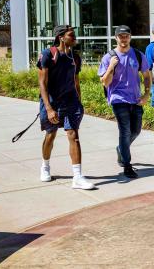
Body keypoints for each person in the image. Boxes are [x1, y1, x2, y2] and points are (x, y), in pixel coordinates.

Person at [37, 25, 95, 190]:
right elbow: (42, 83)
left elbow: (76, 81)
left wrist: (80, 102)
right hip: (52, 101)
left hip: (70, 101)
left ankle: (77, 177)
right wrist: (48, 108)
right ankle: (45, 166)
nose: (74, 37)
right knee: (51, 135)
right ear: (61, 37)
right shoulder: (48, 54)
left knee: (73, 135)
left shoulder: (75, 57)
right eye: (71, 35)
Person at [98, 25, 150, 179]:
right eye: (121, 36)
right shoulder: (109, 57)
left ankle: (121, 149)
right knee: (125, 131)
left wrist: (147, 94)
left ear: (130, 37)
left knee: (136, 131)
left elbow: (147, 75)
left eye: (126, 36)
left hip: (135, 99)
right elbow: (105, 82)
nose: (124, 39)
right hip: (118, 100)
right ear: (116, 38)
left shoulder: (138, 55)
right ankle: (127, 166)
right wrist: (111, 67)